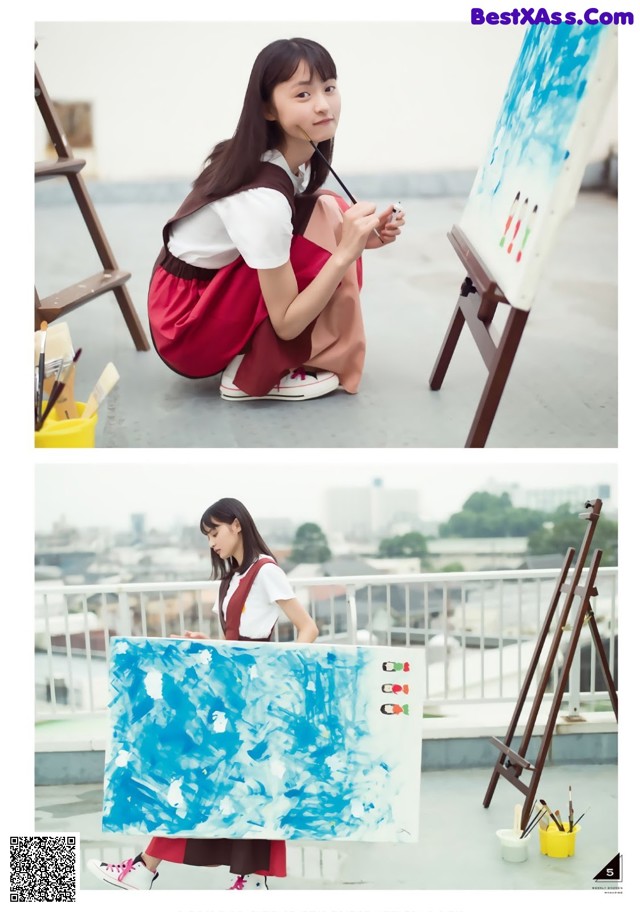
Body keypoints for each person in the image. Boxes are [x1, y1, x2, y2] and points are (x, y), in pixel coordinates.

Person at [147, 36, 405, 401]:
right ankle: (252, 373)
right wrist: (346, 251)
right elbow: (286, 324)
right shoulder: (262, 200)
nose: (322, 105)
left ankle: (265, 355)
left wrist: (363, 237)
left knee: (329, 208)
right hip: (186, 325)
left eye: (329, 88)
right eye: (303, 95)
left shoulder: (278, 159)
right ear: (268, 108)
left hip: (196, 293)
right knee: (326, 243)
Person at [87, 497, 319, 891]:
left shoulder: (266, 572)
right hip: (229, 696)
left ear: (236, 525)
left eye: (215, 532)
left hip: (250, 699)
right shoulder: (231, 580)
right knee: (223, 784)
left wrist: (280, 677)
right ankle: (234, 879)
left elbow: (307, 628)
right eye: (207, 536)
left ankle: (150, 869)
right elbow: (237, 640)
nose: (211, 542)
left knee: (217, 782)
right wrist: (207, 642)